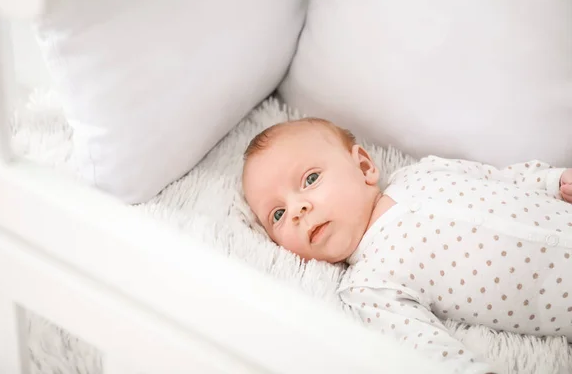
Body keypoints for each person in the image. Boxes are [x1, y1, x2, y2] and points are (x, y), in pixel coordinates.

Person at [241, 117, 572, 374]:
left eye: (310, 179)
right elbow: (423, 345)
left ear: (365, 167)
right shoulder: (369, 284)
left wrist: (551, 181)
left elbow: (496, 176)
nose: (298, 210)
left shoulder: (423, 170)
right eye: (278, 214)